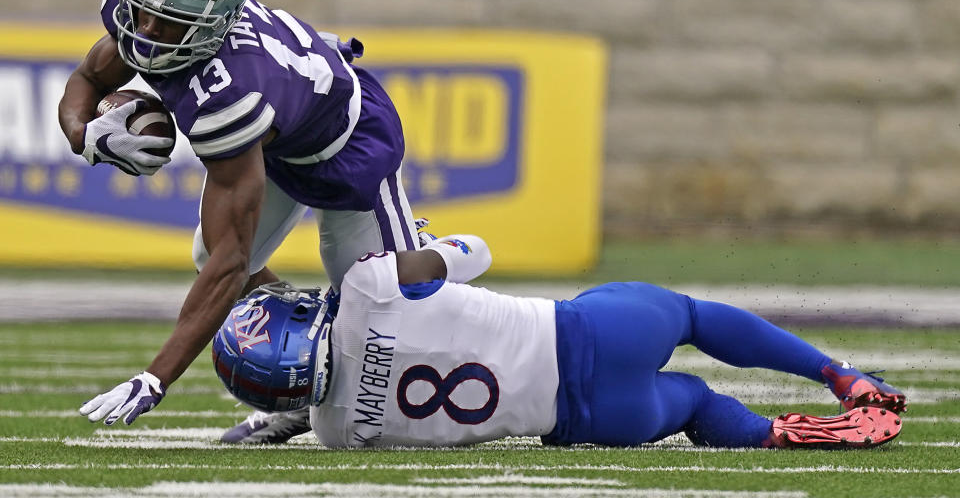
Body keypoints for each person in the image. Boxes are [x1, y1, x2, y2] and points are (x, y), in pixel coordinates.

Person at [62, 0, 419, 443]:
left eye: (168, 23)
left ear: (211, 25)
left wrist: (155, 377)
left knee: (391, 304)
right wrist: (84, 135)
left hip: (347, 146)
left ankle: (473, 302)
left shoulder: (232, 95)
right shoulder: (153, 15)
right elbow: (90, 77)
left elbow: (233, 264)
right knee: (212, 255)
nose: (147, 33)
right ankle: (306, 378)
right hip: (279, 133)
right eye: (142, 12)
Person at [210, 234, 907, 449]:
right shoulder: (365, 291)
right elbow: (473, 251)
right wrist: (422, 249)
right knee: (692, 318)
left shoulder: (335, 432)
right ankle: (840, 377)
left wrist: (276, 420)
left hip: (592, 420)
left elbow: (338, 394)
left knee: (695, 404)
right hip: (591, 333)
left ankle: (782, 434)